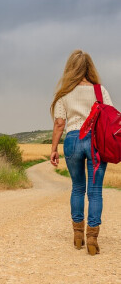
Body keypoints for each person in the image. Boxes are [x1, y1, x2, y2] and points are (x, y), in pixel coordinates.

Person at [49, 49, 114, 256]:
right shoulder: (99, 91)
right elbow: (111, 118)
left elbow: (60, 124)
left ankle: (78, 236)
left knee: (77, 188)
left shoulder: (64, 94)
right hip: (95, 143)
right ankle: (92, 238)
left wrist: (53, 149)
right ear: (90, 68)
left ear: (70, 69)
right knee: (95, 192)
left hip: (73, 141)